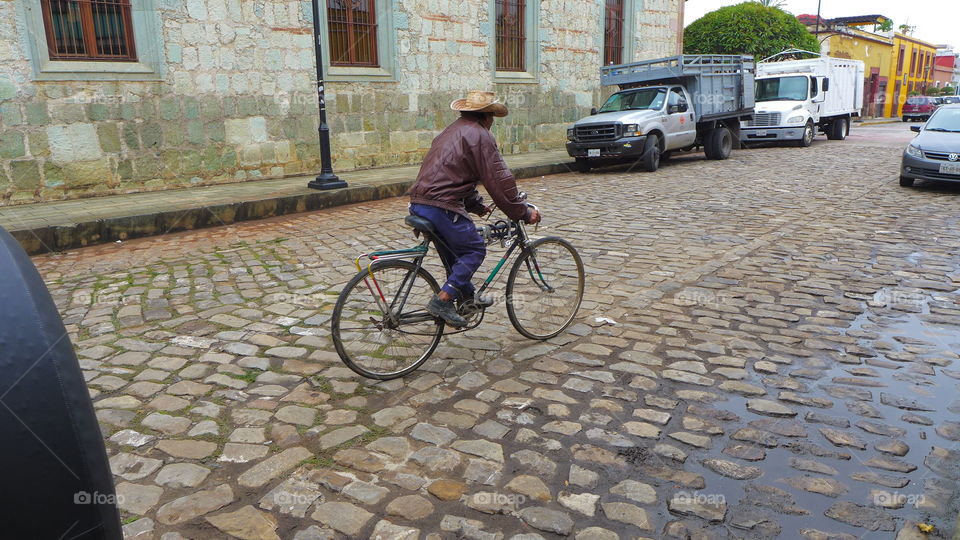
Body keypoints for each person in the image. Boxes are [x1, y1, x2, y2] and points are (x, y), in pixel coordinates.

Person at [408, 90, 541, 328]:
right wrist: (522, 212)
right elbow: (499, 180)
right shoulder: (480, 135)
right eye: (492, 118)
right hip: (442, 206)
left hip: (420, 203)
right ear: (487, 116)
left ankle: (468, 299)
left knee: (455, 253)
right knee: (474, 250)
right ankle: (443, 300)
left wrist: (474, 205)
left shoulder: (450, 132)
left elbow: (453, 172)